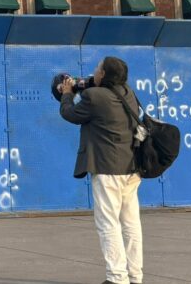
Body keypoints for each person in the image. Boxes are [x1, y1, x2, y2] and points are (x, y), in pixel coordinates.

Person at [59, 56, 143, 284]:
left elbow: (70, 114)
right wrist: (84, 84)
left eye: (97, 68)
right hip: (131, 168)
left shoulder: (94, 97)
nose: (94, 70)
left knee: (108, 224)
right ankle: (135, 277)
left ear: (103, 75)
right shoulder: (128, 92)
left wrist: (67, 93)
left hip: (108, 169)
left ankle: (117, 278)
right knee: (130, 223)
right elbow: (100, 91)